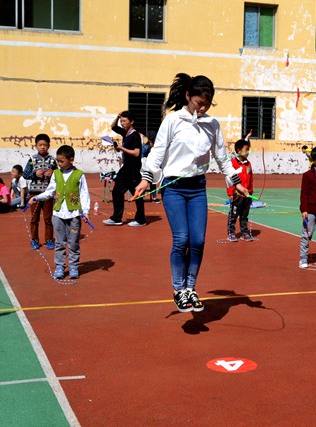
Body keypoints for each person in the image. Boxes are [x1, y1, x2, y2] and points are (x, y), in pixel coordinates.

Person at [134, 73, 248, 313]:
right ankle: (179, 290)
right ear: (188, 96)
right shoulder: (173, 121)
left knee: (198, 240)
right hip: (173, 187)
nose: (203, 107)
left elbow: (222, 157)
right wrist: (146, 180)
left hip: (197, 188)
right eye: (198, 103)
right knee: (182, 239)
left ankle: (190, 289)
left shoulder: (212, 124)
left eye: (207, 104)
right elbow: (157, 153)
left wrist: (235, 181)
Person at [28, 145, 90, 279]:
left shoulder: (79, 174)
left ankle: (73, 266)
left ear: (71, 159)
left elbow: (84, 193)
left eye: (61, 161)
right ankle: (60, 267)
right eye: (58, 161)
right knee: (59, 243)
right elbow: (50, 191)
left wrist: (85, 211)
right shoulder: (56, 174)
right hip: (58, 214)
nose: (59, 164)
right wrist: (37, 197)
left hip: (73, 214)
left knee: (73, 242)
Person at [103, 111, 146, 227]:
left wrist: (121, 148)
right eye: (121, 121)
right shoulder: (125, 133)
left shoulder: (135, 135)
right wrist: (117, 116)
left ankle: (138, 219)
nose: (122, 123)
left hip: (132, 169)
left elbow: (136, 153)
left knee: (133, 193)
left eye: (124, 121)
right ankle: (119, 218)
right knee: (123, 192)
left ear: (131, 122)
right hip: (126, 168)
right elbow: (113, 127)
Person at [23, 133, 58, 250]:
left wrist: (52, 174)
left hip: (48, 194)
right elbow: (25, 174)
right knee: (34, 218)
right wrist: (35, 174)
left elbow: (58, 174)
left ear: (48, 146)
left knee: (48, 218)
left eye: (45, 145)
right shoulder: (32, 160)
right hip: (35, 194)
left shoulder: (52, 161)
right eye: (40, 145)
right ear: (36, 146)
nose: (42, 147)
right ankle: (34, 240)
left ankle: (49, 240)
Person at [227, 139, 255, 242]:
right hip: (236, 195)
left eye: (249, 149)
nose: (248, 152)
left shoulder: (248, 164)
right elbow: (229, 180)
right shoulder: (232, 163)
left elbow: (251, 178)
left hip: (247, 196)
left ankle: (244, 232)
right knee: (233, 214)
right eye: (246, 149)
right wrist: (230, 193)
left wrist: (250, 191)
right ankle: (231, 232)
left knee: (244, 215)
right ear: (239, 151)